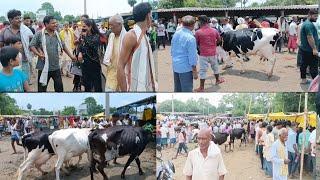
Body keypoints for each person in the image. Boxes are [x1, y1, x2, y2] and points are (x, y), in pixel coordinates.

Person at [117, 2, 157, 92]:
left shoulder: (144, 35)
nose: (152, 19)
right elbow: (120, 67)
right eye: (151, 16)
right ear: (147, 16)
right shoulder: (131, 36)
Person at [30, 15, 76, 92]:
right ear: (46, 24)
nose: (56, 24)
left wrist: (71, 56)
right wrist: (39, 54)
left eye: (56, 23)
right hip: (43, 67)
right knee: (42, 90)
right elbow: (32, 45)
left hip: (56, 67)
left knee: (59, 88)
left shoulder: (57, 34)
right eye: (53, 23)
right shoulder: (39, 34)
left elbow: (63, 46)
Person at [0, 9, 34, 85]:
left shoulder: (26, 31)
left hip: (24, 60)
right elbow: (1, 46)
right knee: (11, 82)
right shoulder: (4, 31)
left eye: (20, 18)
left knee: (25, 82)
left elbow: (33, 43)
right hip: (9, 62)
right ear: (10, 20)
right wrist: (12, 47)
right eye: (17, 18)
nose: (19, 20)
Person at [194, 15, 225, 92]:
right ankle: (217, 80)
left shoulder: (198, 32)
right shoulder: (214, 30)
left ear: (200, 22)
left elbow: (196, 43)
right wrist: (213, 43)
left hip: (203, 54)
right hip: (213, 53)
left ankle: (201, 87)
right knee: (215, 67)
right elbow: (219, 40)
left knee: (202, 70)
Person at [171, 15, 198, 92]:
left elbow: (172, 51)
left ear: (182, 24)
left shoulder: (176, 34)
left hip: (176, 65)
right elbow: (192, 57)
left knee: (177, 89)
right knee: (187, 91)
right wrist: (195, 71)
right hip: (186, 68)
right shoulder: (191, 38)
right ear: (193, 25)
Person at [78, 19, 104, 92]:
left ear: (90, 27)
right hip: (85, 64)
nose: (83, 28)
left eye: (84, 26)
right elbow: (80, 46)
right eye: (82, 26)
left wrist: (84, 37)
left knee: (97, 86)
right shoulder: (83, 36)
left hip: (94, 64)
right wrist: (79, 52)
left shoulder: (96, 36)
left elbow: (93, 46)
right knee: (87, 86)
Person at [102, 14, 127, 91]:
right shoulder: (111, 36)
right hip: (111, 72)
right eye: (110, 25)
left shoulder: (127, 37)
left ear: (119, 24)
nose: (110, 27)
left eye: (112, 25)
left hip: (123, 73)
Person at [299, 9, 318, 84]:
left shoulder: (307, 23)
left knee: (304, 64)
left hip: (305, 49)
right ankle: (315, 83)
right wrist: (314, 49)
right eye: (315, 16)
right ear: (310, 15)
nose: (316, 18)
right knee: (314, 66)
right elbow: (310, 37)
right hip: (309, 50)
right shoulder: (308, 24)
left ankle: (304, 80)